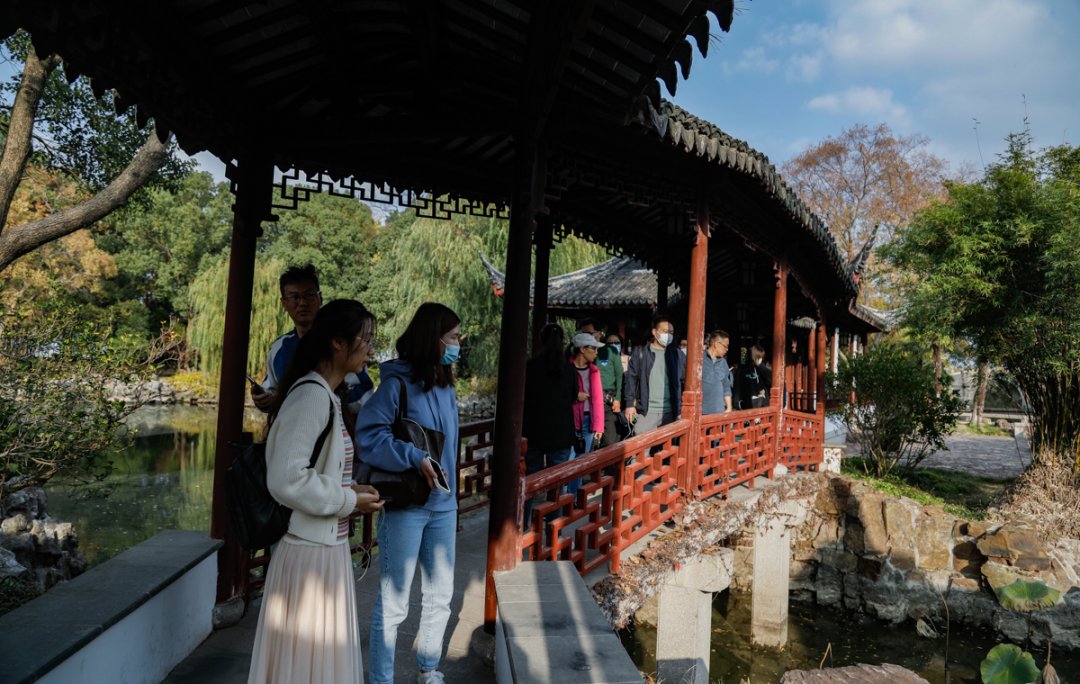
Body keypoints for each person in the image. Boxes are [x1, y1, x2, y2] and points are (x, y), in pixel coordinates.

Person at [247, 299, 384, 684]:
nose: (371, 349)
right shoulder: (311, 396)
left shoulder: (327, 395)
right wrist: (347, 500)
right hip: (309, 557)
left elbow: (313, 472)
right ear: (338, 343)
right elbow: (286, 479)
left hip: (324, 550)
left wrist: (350, 491)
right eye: (366, 339)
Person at [356, 302, 461, 684]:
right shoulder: (396, 384)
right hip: (408, 506)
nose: (457, 344)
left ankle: (429, 668)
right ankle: (382, 679)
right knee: (395, 600)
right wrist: (413, 457)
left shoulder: (446, 383)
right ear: (431, 339)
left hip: (444, 506)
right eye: (452, 338)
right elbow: (369, 437)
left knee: (440, 596)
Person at [253, 264, 374, 416]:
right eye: (294, 297)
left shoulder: (340, 345)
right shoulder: (279, 348)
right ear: (283, 303)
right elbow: (271, 389)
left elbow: (366, 399)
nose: (303, 303)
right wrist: (262, 400)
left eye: (309, 295)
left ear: (320, 298)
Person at [522, 323, 576, 523]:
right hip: (561, 434)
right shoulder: (569, 369)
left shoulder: (529, 367)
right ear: (562, 341)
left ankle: (522, 525)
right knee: (557, 484)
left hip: (533, 434)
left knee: (528, 482)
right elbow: (572, 396)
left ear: (541, 340)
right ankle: (554, 527)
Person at [623, 315, 686, 434]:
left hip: (671, 412)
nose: (669, 335)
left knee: (667, 451)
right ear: (654, 332)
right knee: (641, 449)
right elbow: (631, 380)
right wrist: (630, 405)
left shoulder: (678, 355)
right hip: (646, 412)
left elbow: (685, 381)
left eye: (671, 332)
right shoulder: (640, 353)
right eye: (665, 331)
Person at [570, 332, 605, 455]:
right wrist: (575, 396)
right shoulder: (566, 368)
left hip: (588, 419)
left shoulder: (594, 370)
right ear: (583, 349)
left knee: (582, 462)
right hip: (570, 419)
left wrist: (599, 425)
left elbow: (598, 400)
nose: (596, 352)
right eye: (594, 348)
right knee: (567, 462)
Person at [597, 332, 624, 446]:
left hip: (608, 398)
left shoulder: (612, 352)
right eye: (610, 343)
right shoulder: (585, 352)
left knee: (610, 440)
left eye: (616, 343)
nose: (613, 345)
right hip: (591, 398)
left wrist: (617, 398)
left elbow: (619, 375)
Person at [701, 330, 733, 415]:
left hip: (719, 412)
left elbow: (726, 386)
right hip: (701, 412)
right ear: (716, 344)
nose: (727, 349)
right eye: (725, 346)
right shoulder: (700, 359)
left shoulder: (723, 362)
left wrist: (729, 408)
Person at [735, 344, 772, 409]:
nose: (760, 359)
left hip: (761, 404)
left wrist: (760, 366)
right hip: (747, 404)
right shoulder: (742, 370)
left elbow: (771, 381)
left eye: (762, 357)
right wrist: (737, 403)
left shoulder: (762, 369)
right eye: (758, 357)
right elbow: (737, 388)